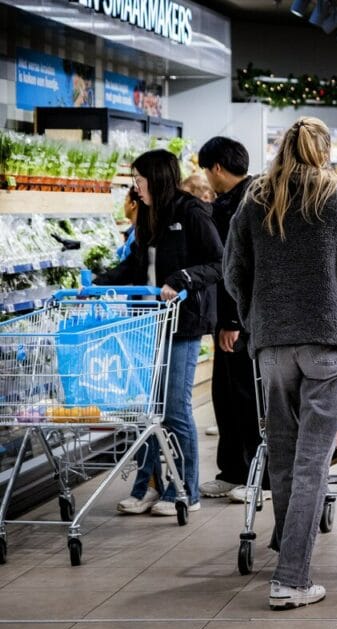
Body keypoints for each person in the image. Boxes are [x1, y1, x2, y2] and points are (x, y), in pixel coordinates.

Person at [224, 116, 337, 610]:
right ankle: (292, 577)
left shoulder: (255, 202)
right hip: (328, 342)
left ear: (282, 150)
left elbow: (234, 272)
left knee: (282, 452)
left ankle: (285, 545)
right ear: (326, 151)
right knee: (315, 460)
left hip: (272, 344)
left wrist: (257, 314)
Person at [98, 149, 224, 517]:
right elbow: (136, 265)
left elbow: (219, 262)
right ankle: (147, 488)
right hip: (149, 323)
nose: (135, 188)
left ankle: (184, 491)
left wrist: (182, 278)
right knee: (149, 412)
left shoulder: (191, 212)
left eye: (139, 180)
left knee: (174, 410)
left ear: (157, 177)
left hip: (183, 323)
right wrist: (99, 284)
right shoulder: (149, 215)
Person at [195, 137, 263, 503]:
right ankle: (234, 470)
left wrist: (233, 321)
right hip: (232, 316)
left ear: (217, 168)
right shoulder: (232, 201)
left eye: (207, 170)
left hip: (245, 319)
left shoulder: (250, 202)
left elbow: (242, 267)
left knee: (246, 395)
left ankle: (256, 474)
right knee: (226, 395)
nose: (207, 178)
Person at [117, 188, 140, 262]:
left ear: (133, 204)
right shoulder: (135, 232)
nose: (124, 204)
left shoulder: (137, 236)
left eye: (126, 199)